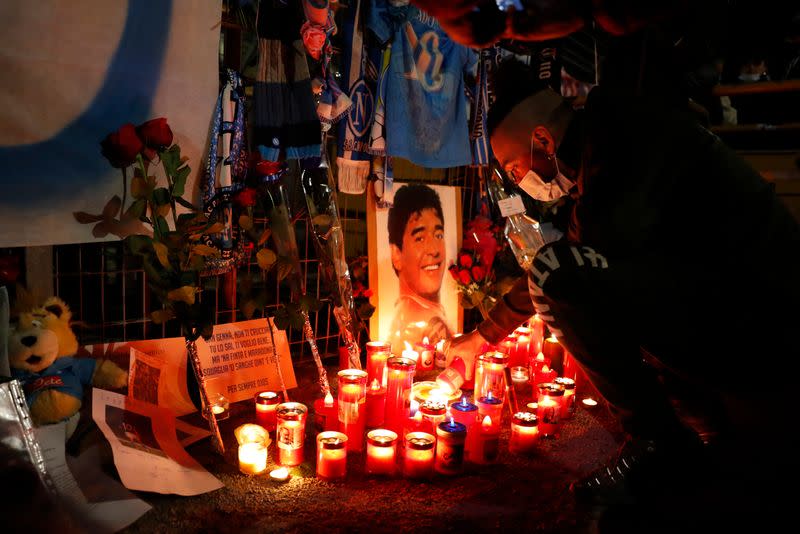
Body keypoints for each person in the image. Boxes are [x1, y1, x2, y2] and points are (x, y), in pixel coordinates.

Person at [446, 55, 800, 530]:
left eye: (514, 169)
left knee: (559, 276)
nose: (520, 184)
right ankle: (706, 423)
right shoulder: (600, 157)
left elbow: (577, 265)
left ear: (544, 140)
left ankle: (657, 442)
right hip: (734, 302)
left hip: (760, 313)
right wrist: (482, 337)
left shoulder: (621, 144)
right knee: (574, 277)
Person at [386, 184, 453, 354]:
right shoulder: (409, 326)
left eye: (439, 235)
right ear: (396, 254)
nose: (434, 249)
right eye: (420, 238)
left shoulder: (436, 313)